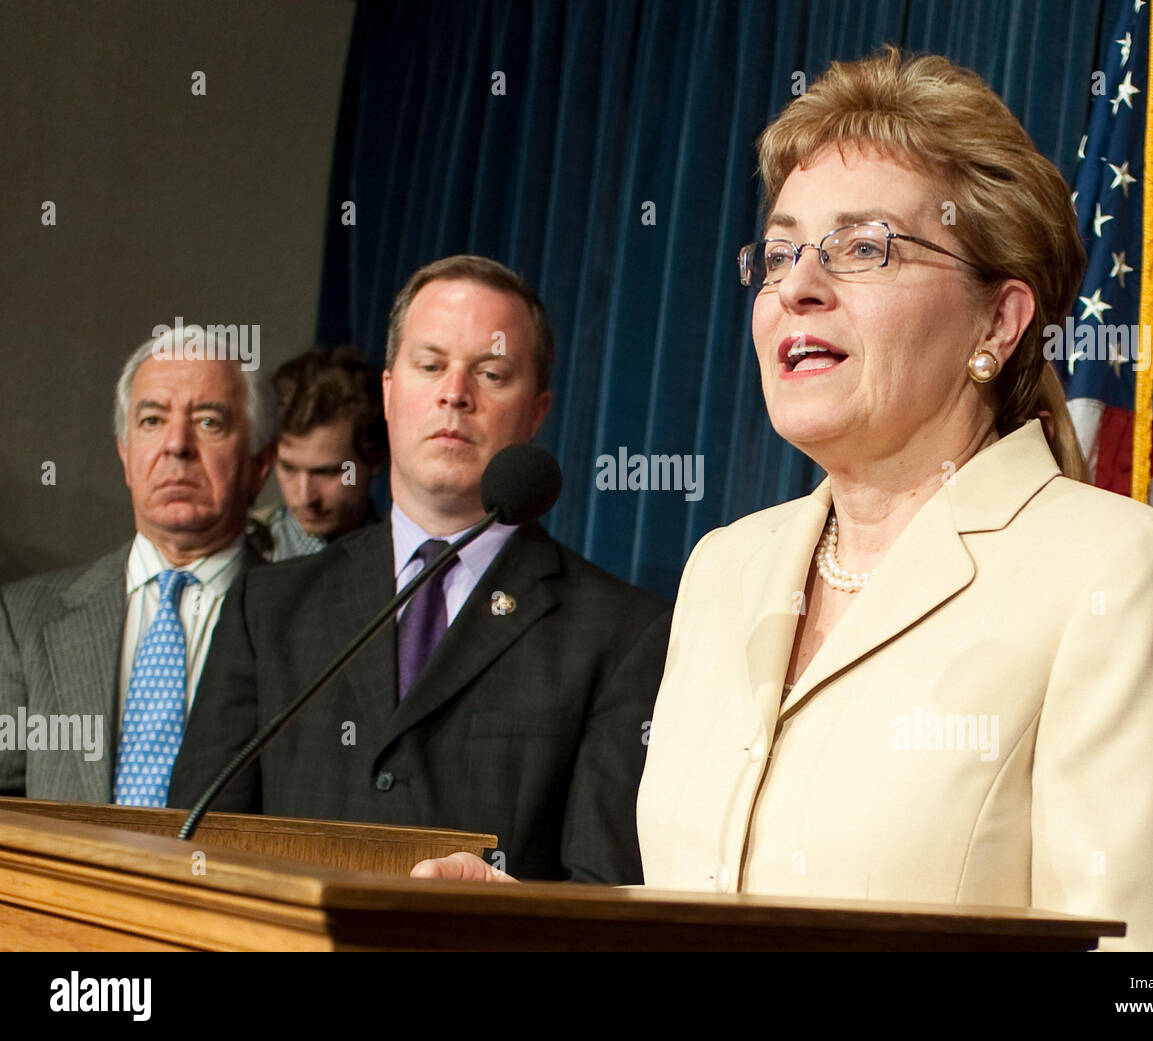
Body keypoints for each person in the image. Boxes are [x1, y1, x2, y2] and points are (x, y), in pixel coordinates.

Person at [415, 50, 1153, 953]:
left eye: (863, 247)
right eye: (779, 253)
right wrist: (523, 928)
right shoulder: (727, 568)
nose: (798, 284)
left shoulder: (1119, 576)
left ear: (997, 321)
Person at [169, 256, 670, 884]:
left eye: (491, 373)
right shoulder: (268, 608)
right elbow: (191, 851)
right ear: (387, 392)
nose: (454, 392)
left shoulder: (623, 634)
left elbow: (603, 893)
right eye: (430, 365)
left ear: (537, 412)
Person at [0, 326, 275, 804]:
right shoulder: (25, 618)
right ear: (125, 455)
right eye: (151, 421)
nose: (177, 445)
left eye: (209, 422)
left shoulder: (302, 624)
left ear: (260, 462)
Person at [252, 347, 386, 561]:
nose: (305, 497)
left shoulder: (404, 562)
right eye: (288, 468)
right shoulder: (243, 556)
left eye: (327, 472)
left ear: (375, 458)